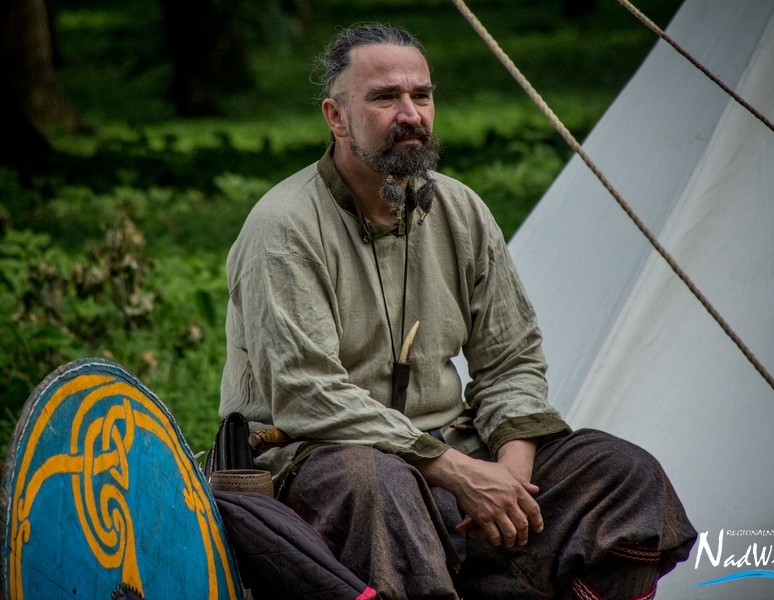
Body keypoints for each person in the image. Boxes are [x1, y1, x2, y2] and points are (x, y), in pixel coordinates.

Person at [220, 23, 696, 600]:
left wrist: (510, 482)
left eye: (421, 95)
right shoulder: (283, 227)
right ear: (336, 116)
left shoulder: (460, 209)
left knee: (624, 475)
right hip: (325, 459)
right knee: (375, 483)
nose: (410, 114)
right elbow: (309, 395)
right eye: (384, 97)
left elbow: (512, 360)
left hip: (457, 455)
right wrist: (460, 473)